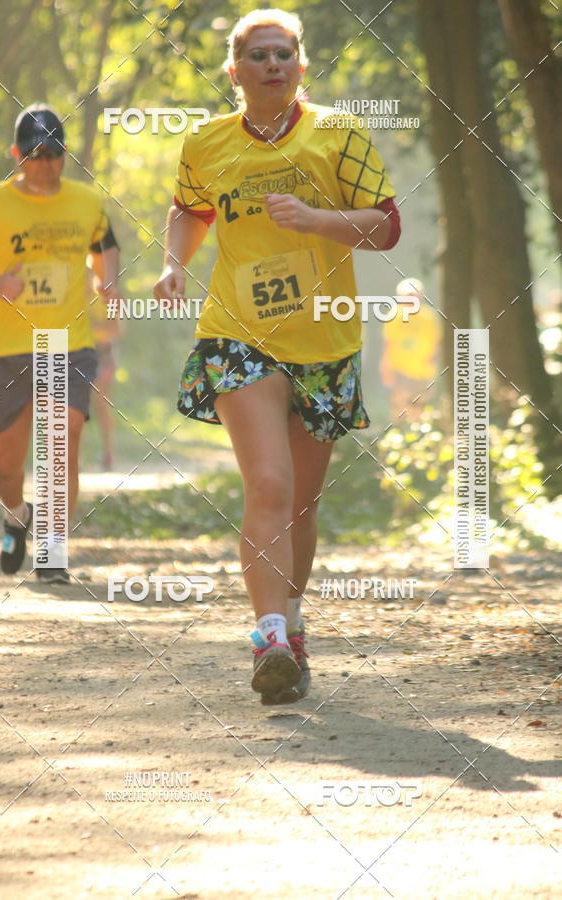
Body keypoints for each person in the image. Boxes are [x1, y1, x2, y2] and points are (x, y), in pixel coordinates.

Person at [153, 8, 400, 704]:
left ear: (300, 66)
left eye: (283, 54)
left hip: (324, 339)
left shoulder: (338, 133)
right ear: (234, 71)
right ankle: (266, 637)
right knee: (268, 483)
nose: (272, 65)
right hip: (238, 335)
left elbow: (386, 226)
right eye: (258, 56)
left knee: (301, 503)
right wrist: (174, 266)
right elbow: (188, 208)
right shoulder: (206, 142)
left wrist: (316, 219)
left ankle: (291, 622)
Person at [0, 103, 118, 585]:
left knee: (60, 443)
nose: (45, 162)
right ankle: (16, 513)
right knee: (6, 467)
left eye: (53, 152)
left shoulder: (87, 202)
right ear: (16, 154)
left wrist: (107, 283)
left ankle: (52, 551)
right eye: (34, 153)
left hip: (67, 341)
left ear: (65, 154)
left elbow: (105, 247)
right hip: (3, 346)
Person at [380, 278, 441, 420]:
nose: (411, 300)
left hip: (423, 372)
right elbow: (387, 344)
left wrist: (433, 361)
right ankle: (400, 434)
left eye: (414, 296)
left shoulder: (429, 316)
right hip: (400, 371)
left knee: (422, 407)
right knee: (400, 408)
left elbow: (437, 342)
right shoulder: (394, 315)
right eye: (407, 297)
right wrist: (385, 368)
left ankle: (420, 434)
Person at [87, 230, 122, 471]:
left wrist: (93, 327)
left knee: (101, 403)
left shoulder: (111, 293)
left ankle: (108, 453)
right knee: (72, 404)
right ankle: (70, 457)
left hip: (103, 352)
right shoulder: (75, 291)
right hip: (78, 350)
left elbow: (118, 329)